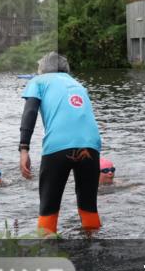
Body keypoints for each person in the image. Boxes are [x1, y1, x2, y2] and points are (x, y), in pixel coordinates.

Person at [18, 52, 103, 235]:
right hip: (90, 145)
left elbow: (30, 112)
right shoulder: (78, 84)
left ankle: (46, 251)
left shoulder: (38, 81)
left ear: (42, 69)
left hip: (58, 145)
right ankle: (94, 248)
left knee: (49, 204)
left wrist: (24, 148)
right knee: (88, 205)